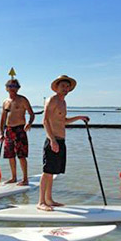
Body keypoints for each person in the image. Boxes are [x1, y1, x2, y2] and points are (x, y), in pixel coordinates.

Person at [37, 75, 89, 211]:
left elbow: (63, 121)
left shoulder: (63, 102)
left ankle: (49, 199)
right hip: (52, 140)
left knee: (53, 172)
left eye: (67, 87)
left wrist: (79, 117)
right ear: (57, 87)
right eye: (63, 86)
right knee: (47, 171)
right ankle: (41, 202)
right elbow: (45, 121)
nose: (65, 89)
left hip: (61, 140)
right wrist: (52, 140)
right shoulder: (52, 100)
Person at [0, 79, 35, 186]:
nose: (12, 88)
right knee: (10, 155)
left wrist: (29, 123)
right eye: (10, 86)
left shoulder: (23, 100)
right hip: (9, 130)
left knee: (21, 155)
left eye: (15, 86)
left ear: (18, 88)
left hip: (20, 129)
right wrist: (1, 133)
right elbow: (2, 120)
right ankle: (13, 177)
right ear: (6, 88)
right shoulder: (5, 102)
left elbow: (32, 114)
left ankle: (25, 179)